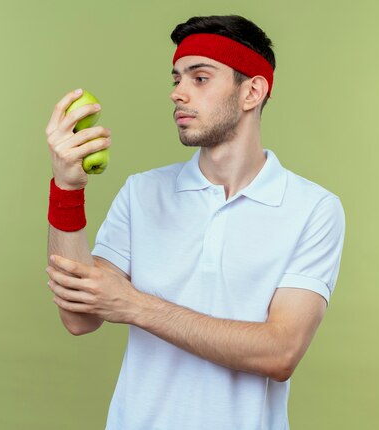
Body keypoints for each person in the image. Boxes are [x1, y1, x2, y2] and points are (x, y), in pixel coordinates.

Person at [44, 14, 345, 430]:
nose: (177, 94)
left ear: (252, 91)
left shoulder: (313, 209)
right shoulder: (141, 192)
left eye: (200, 78)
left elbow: (279, 353)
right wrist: (66, 187)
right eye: (176, 79)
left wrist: (134, 305)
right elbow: (79, 318)